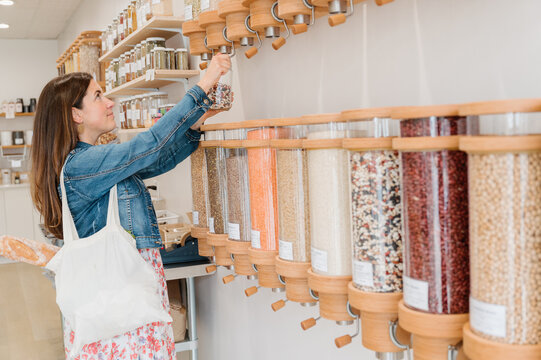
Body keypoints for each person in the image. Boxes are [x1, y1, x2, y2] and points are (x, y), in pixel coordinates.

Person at [30, 54, 231, 360]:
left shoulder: (93, 159)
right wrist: (202, 85)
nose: (109, 102)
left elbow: (157, 158)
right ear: (76, 115)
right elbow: (149, 145)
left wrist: (197, 119)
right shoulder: (82, 165)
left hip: (132, 288)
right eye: (98, 96)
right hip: (121, 294)